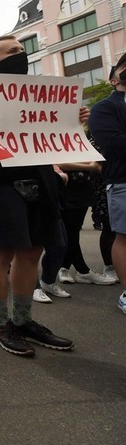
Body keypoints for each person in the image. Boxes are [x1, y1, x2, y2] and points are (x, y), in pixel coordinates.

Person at [0, 34, 76, 355]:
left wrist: (72, 123)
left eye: (22, 49)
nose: (22, 54)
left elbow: (51, 132)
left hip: (40, 178)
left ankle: (23, 321)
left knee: (33, 251)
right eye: (13, 51)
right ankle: (0, 324)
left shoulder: (38, 93)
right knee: (3, 252)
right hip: (3, 183)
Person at [89, 51, 126, 315]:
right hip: (123, 180)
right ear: (113, 78)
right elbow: (114, 145)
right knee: (123, 237)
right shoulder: (105, 108)